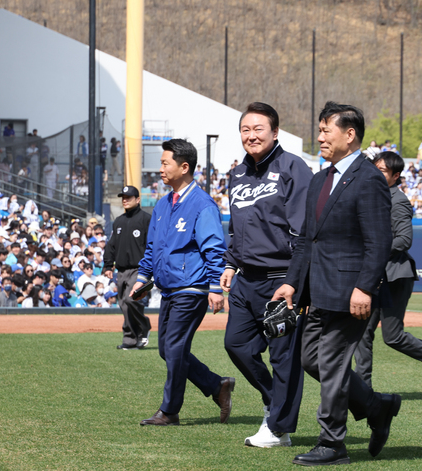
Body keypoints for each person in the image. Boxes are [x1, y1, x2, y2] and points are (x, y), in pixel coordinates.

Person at [272, 102, 400, 466]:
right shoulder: (319, 179)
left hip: (350, 293)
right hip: (317, 292)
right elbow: (307, 241)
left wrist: (365, 287)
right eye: (320, 129)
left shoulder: (369, 177)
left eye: (327, 130)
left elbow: (379, 241)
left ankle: (332, 443)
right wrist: (292, 284)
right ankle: (378, 407)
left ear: (350, 134)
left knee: (329, 363)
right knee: (311, 360)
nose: (320, 136)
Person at [220, 102, 312, 447]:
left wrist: (293, 281)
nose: (251, 135)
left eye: (259, 129)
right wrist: (230, 263)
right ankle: (277, 403)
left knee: (283, 356)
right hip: (246, 279)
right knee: (236, 344)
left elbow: (305, 232)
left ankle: (278, 429)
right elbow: (237, 227)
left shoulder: (293, 168)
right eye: (245, 129)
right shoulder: (238, 174)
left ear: (275, 132)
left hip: (281, 279)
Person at [130, 138, 235, 426]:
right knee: (167, 349)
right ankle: (217, 385)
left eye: (165, 163)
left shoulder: (202, 205)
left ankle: (169, 410)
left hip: (193, 288)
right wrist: (142, 278)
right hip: (168, 289)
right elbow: (152, 248)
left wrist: (216, 288)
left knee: (174, 348)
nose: (160, 168)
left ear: (184, 167)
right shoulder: (163, 205)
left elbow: (214, 248)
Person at [355, 151, 422, 392]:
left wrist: (374, 251)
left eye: (382, 171)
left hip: (395, 276)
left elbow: (404, 240)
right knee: (362, 333)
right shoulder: (370, 196)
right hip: (374, 275)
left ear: (395, 176)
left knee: (392, 336)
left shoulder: (398, 200)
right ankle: (362, 391)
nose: (375, 174)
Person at [104, 185, 152, 350]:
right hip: (122, 270)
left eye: (129, 197)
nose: (125, 200)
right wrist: (108, 265)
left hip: (140, 269)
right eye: (123, 197)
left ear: (138, 199)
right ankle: (130, 339)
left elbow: (154, 245)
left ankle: (144, 326)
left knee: (132, 300)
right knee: (124, 304)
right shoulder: (118, 221)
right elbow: (111, 246)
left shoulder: (146, 219)